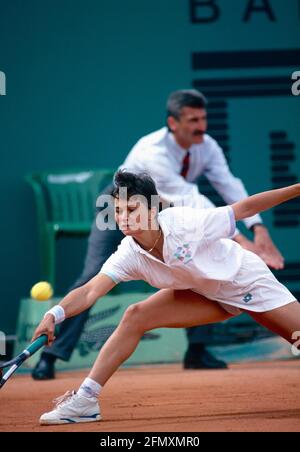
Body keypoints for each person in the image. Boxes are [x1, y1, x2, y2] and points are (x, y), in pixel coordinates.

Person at [32, 89, 284, 379]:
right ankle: (50, 355)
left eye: (203, 118)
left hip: (160, 210)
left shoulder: (208, 145)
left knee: (201, 263)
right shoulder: (152, 151)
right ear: (173, 123)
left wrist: (258, 227)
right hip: (118, 203)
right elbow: (191, 198)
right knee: (93, 275)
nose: (201, 126)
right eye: (193, 120)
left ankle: (197, 351)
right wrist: (242, 240)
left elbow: (228, 183)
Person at [32, 170, 300, 425]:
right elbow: (91, 290)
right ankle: (85, 401)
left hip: (244, 279)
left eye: (132, 209)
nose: (124, 217)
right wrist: (53, 314)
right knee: (135, 316)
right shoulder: (129, 253)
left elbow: (244, 208)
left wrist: (297, 189)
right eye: (118, 211)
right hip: (206, 294)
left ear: (151, 209)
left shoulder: (186, 224)